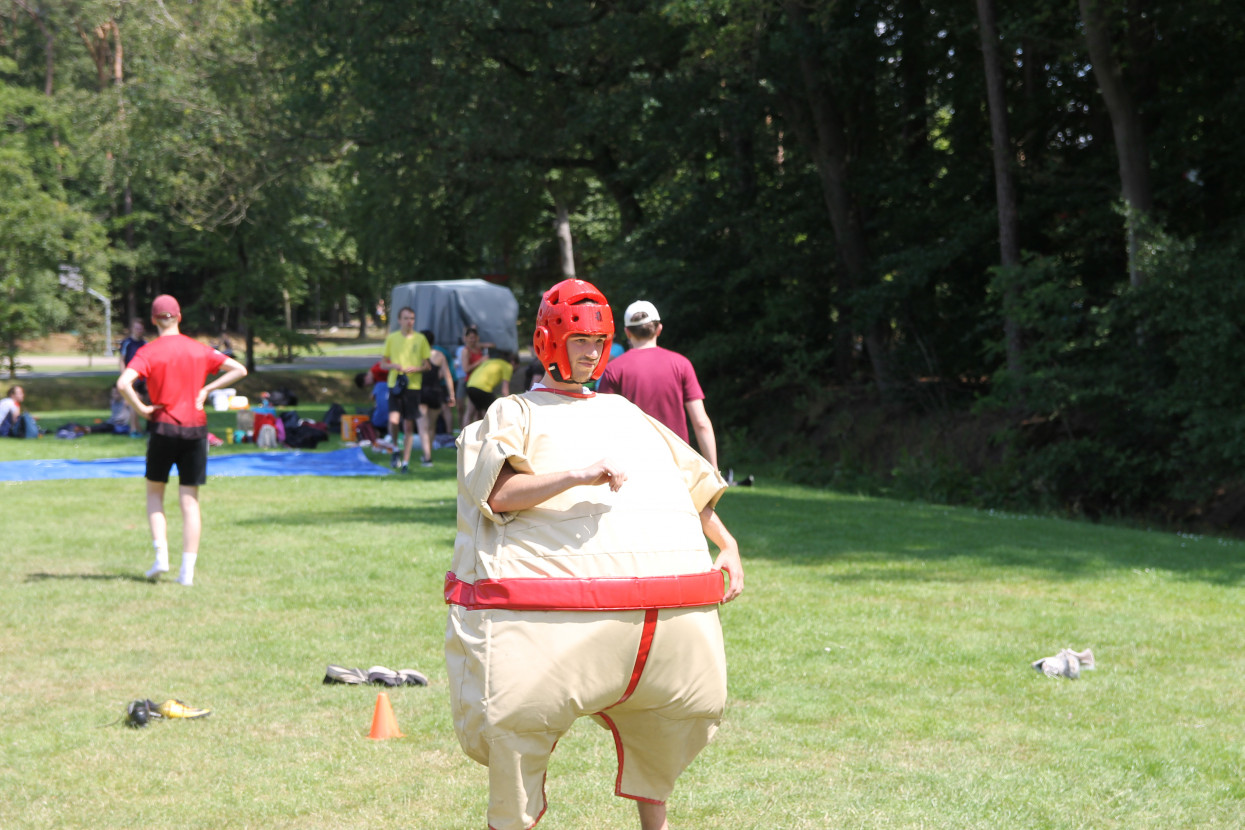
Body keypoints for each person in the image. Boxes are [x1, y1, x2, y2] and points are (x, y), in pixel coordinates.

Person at [446, 278, 744, 830]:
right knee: (516, 728)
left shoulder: (626, 414)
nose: (591, 352)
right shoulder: (516, 413)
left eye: (599, 341)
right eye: (579, 340)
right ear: (548, 342)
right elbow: (498, 494)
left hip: (644, 623)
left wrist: (725, 545)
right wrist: (578, 474)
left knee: (666, 720)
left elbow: (688, 484)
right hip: (543, 623)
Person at [116, 295, 248, 586]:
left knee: (155, 495)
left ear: (153, 320)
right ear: (179, 317)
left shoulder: (148, 352)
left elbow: (123, 383)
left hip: (162, 427)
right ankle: (186, 572)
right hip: (196, 430)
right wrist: (206, 390)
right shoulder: (198, 349)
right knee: (189, 501)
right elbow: (240, 369)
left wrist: (142, 409)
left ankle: (161, 556)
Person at [597, 300, 718, 470]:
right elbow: (701, 423)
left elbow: (604, 423)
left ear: (627, 332)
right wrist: (713, 470)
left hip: (632, 464)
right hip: (677, 464)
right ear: (659, 329)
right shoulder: (681, 364)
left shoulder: (614, 369)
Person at [380, 307, 431, 473]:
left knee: (408, 426)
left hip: (413, 386)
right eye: (406, 318)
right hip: (395, 384)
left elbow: (427, 365)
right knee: (394, 421)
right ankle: (395, 449)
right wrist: (393, 365)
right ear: (399, 320)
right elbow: (383, 363)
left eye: (412, 318)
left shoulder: (420, 338)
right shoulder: (392, 338)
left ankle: (406, 462)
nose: (409, 321)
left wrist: (416, 369)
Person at [416, 330, 456, 467]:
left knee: (423, 426)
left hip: (420, 392)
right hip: (435, 392)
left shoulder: (416, 355)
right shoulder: (439, 355)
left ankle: (427, 457)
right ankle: (428, 454)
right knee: (431, 426)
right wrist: (451, 394)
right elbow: (448, 376)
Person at [463, 350, 518, 424]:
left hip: (470, 385)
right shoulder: (508, 366)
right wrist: (507, 405)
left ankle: (464, 433)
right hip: (483, 388)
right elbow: (505, 390)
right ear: (513, 363)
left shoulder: (491, 361)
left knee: (471, 412)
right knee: (494, 412)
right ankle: (488, 433)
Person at [454, 325, 492, 429]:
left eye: (474, 337)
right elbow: (466, 369)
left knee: (478, 411)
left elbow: (492, 345)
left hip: (479, 383)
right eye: (470, 337)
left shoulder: (478, 347)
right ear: (465, 338)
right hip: (470, 383)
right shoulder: (465, 351)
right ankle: (464, 434)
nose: (473, 340)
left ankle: (477, 436)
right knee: (469, 410)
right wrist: (480, 361)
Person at [118, 318, 148, 436]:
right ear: (132, 329)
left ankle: (138, 428)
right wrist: (124, 376)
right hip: (130, 378)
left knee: (139, 402)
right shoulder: (127, 343)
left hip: (142, 379)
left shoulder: (145, 344)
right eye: (136, 328)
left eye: (140, 329)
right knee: (133, 402)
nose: (138, 331)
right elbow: (121, 361)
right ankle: (133, 429)